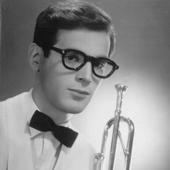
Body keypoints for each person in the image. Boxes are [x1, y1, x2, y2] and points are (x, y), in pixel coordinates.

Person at [0, 0, 119, 170]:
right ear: (36, 57)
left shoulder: (91, 158)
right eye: (72, 57)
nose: (86, 77)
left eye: (99, 64)